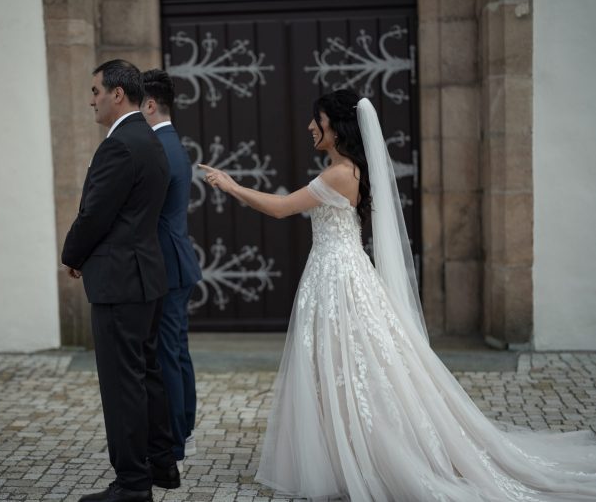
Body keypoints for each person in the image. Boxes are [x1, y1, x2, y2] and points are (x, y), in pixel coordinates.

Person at [200, 90, 596, 501]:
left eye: (318, 119)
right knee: (344, 365)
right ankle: (345, 450)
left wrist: (232, 186)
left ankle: (370, 453)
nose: (310, 126)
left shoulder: (339, 175)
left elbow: (281, 207)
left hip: (338, 279)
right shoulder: (346, 170)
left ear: (337, 127)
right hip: (337, 273)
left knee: (350, 366)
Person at [62, 59, 180, 502]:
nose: (91, 101)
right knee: (146, 373)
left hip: (119, 280)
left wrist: (73, 255)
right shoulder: (150, 140)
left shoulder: (119, 146)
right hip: (145, 275)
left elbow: (96, 213)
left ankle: (132, 484)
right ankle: (161, 464)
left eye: (95, 91)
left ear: (117, 93)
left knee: (121, 383)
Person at [140, 68, 202, 470]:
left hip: (167, 264)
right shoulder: (170, 143)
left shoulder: (160, 147)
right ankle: (184, 432)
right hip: (176, 261)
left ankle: (176, 443)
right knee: (176, 351)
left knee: (168, 354)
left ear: (149, 105)